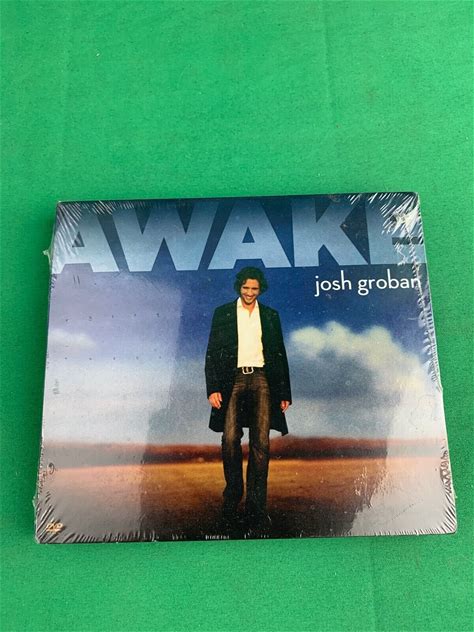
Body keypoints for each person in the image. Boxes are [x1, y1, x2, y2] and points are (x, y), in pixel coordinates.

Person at [205, 267, 291, 532]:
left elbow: (279, 353)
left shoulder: (270, 315)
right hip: (232, 380)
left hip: (263, 379)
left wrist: (284, 393)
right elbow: (212, 352)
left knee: (261, 443)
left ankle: (256, 509)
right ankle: (232, 500)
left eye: (254, 289)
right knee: (230, 438)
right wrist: (213, 389)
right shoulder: (223, 313)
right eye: (245, 288)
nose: (250, 293)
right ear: (238, 287)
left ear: (260, 289)